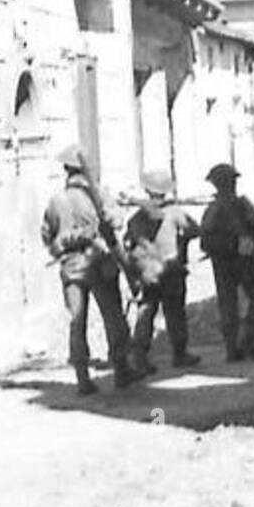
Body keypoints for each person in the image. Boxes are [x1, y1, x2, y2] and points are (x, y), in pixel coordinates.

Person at [39, 143, 136, 394]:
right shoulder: (99, 194)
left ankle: (82, 378)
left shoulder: (56, 201)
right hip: (100, 263)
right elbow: (117, 220)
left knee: (76, 321)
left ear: (67, 171)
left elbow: (47, 236)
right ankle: (122, 370)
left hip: (72, 267)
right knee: (113, 316)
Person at [124, 169, 201, 376]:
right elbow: (195, 229)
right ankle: (179, 353)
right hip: (171, 270)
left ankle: (140, 356)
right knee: (175, 313)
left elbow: (128, 241)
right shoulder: (174, 212)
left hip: (149, 271)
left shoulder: (137, 217)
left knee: (147, 312)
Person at [200, 162, 254, 361]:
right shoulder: (242, 204)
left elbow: (204, 241)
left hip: (226, 261)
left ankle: (233, 348)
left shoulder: (213, 209)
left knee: (228, 304)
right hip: (246, 258)